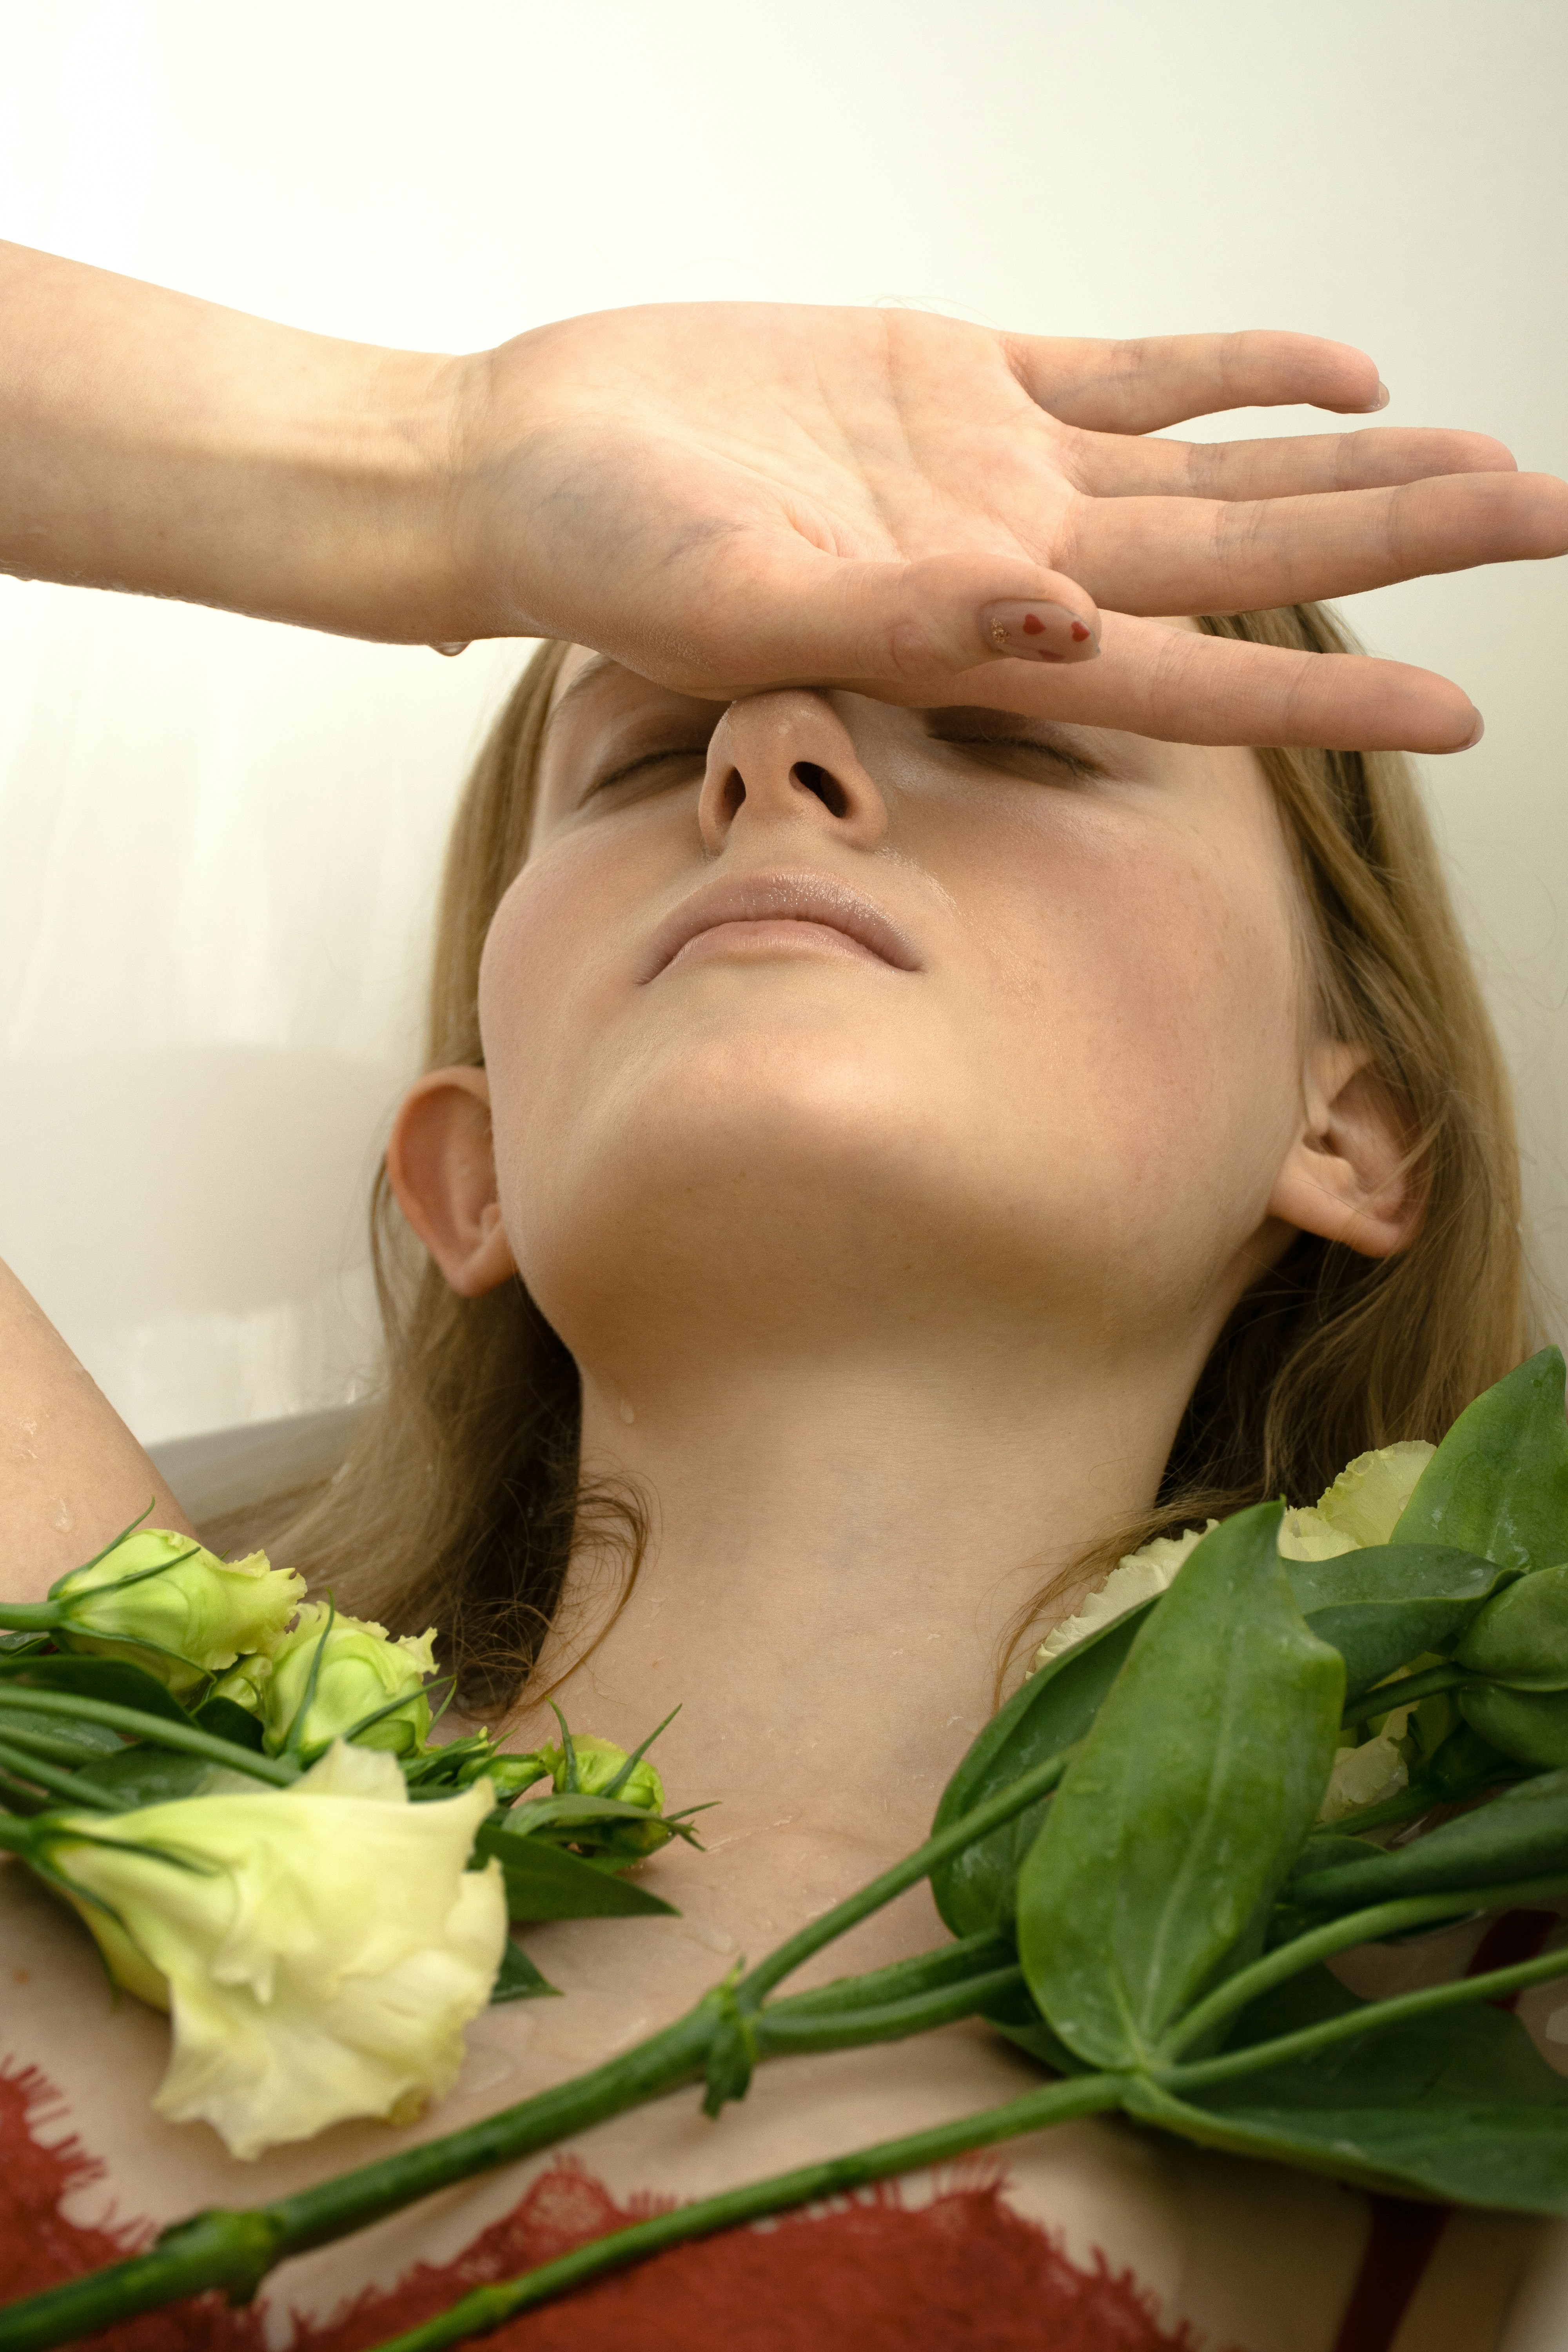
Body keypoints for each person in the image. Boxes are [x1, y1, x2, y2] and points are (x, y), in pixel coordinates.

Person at [2, 242, 1566, 2349]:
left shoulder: (1480, 2022)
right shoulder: (81, 1686)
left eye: (1014, 731)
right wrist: (428, 465)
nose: (773, 764)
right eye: (650, 756)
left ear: (1353, 1132)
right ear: (471, 1170)